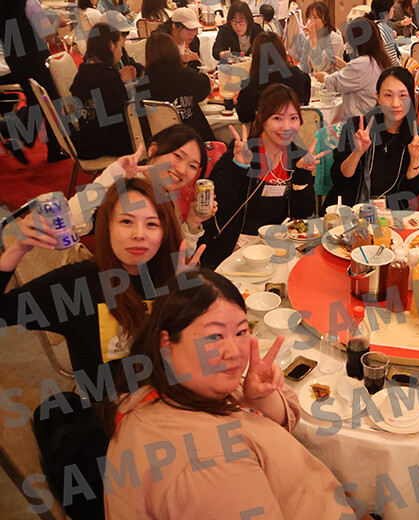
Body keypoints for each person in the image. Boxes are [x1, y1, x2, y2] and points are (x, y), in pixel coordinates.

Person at [100, 270, 363, 519]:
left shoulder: (179, 385)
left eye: (240, 332)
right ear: (166, 343)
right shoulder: (207, 465)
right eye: (214, 337)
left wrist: (260, 397)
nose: (234, 352)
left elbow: (281, 420)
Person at [0, 178, 196, 390]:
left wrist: (181, 299)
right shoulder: (77, 285)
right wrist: (15, 250)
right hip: (112, 404)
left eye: (151, 224)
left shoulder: (170, 276)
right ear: (107, 226)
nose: (139, 234)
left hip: (173, 392)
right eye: (126, 222)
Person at [199, 84, 323, 268]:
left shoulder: (298, 157)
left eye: (293, 118)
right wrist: (239, 165)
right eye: (277, 118)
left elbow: (301, 216)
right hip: (237, 244)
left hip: (280, 244)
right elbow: (213, 205)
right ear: (262, 118)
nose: (287, 127)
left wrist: (302, 174)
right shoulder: (243, 150)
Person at [68, 124, 213, 251]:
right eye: (178, 156)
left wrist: (193, 221)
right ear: (153, 150)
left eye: (192, 166)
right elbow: (70, 224)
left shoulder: (167, 196)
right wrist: (113, 174)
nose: (182, 169)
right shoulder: (127, 189)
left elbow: (174, 255)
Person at [325, 67, 419, 208]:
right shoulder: (357, 127)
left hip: (390, 213)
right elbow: (339, 179)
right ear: (378, 97)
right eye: (388, 95)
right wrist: (357, 152)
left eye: (403, 95)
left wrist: (415, 158)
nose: (395, 104)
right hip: (350, 208)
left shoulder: (418, 138)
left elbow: (412, 192)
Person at [0, 0, 67, 163]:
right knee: (51, 101)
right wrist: (57, 22)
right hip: (35, 59)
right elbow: (47, 34)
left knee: (36, 101)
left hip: (15, 62)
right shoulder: (30, 3)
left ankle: (18, 139)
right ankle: (54, 149)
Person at [70, 23, 136, 159]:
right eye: (120, 46)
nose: (121, 52)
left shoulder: (83, 71)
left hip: (85, 140)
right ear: (110, 45)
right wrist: (127, 84)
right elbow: (125, 114)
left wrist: (119, 80)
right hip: (106, 144)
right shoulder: (107, 78)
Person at [314, 17, 392, 118]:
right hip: (376, 115)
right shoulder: (379, 58)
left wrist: (324, 77)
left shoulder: (362, 63)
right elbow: (362, 77)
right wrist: (344, 65)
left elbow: (336, 83)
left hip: (362, 119)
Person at [144, 32, 215, 141]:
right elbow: (205, 88)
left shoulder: (142, 83)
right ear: (174, 51)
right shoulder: (187, 75)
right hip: (192, 136)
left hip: (159, 139)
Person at [237, 32, 311, 123]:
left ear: (256, 55)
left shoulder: (251, 85)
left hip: (266, 131)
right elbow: (305, 103)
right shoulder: (299, 76)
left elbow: (244, 117)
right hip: (297, 129)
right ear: (282, 51)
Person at [299, 1, 345, 73]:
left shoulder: (335, 39)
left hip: (331, 78)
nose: (310, 21)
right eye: (308, 17)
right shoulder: (308, 39)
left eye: (315, 17)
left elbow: (322, 67)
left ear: (325, 20)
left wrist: (314, 40)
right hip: (314, 78)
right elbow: (304, 65)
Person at [370, 0, 400, 66]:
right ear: (386, 11)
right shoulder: (384, 28)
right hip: (385, 69)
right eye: (392, 7)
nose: (393, 10)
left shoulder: (372, 25)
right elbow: (392, 60)